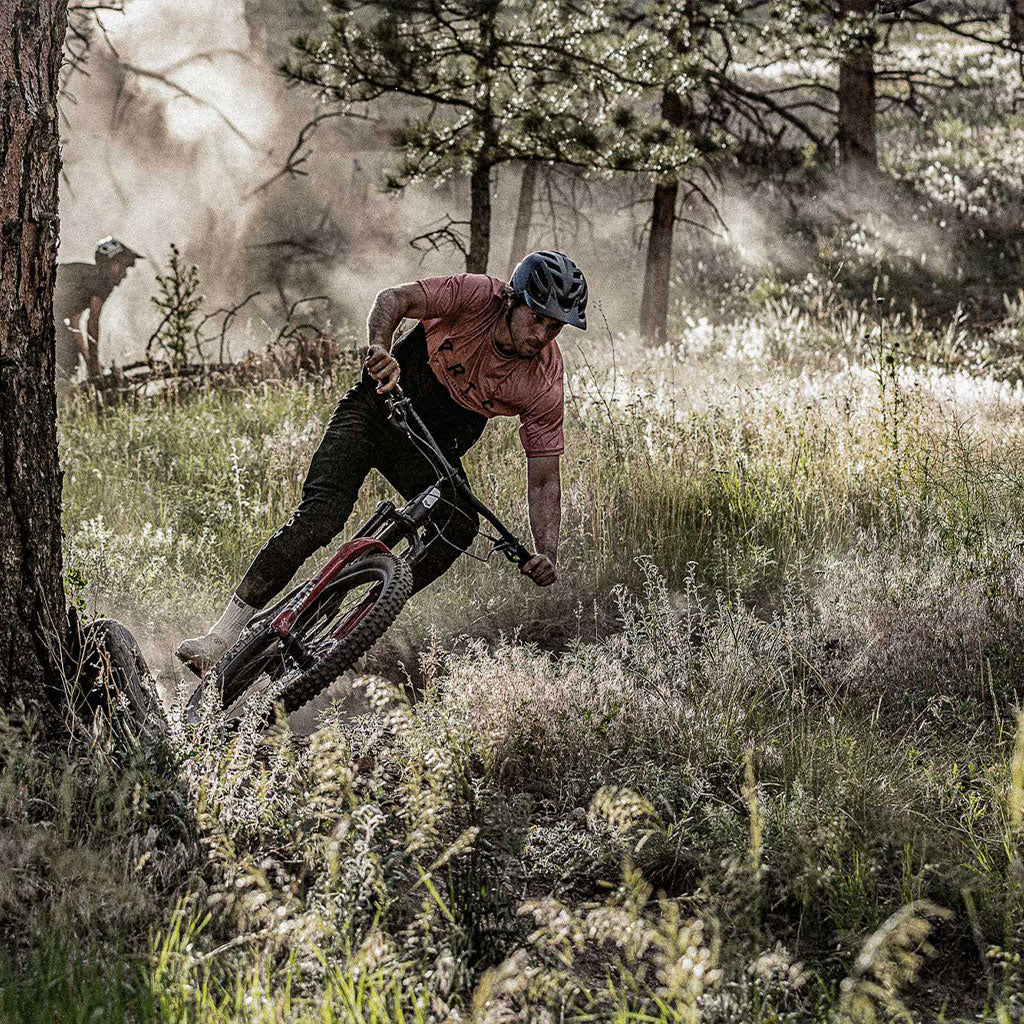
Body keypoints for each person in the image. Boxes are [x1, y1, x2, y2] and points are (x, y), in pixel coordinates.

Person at [176, 250, 589, 674]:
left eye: (554, 327)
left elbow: (544, 478)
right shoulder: (477, 295)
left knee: (459, 525)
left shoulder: (544, 379)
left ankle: (354, 629)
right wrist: (380, 350)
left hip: (427, 448)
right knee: (321, 517)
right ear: (512, 299)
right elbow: (393, 299)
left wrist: (547, 552)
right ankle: (220, 637)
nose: (542, 335)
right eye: (537, 318)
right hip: (374, 411)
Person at [53, 237, 142, 390]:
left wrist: (88, 359)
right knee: (68, 358)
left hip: (52, 316)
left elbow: (75, 324)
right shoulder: (101, 282)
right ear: (112, 264)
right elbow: (92, 323)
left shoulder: (86, 276)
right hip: (50, 315)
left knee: (67, 353)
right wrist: (94, 363)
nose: (124, 274)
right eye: (123, 266)